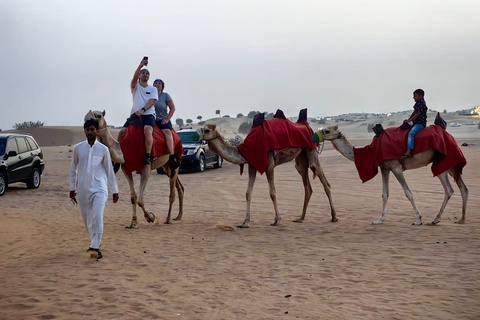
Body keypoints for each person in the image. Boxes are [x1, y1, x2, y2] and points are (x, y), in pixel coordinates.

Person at [69, 119, 119, 260]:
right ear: (84, 130)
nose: (90, 132)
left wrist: (115, 190)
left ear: (96, 131)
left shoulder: (103, 149)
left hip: (100, 189)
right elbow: (73, 169)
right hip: (83, 190)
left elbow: (109, 171)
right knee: (88, 221)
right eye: (87, 129)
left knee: (97, 216)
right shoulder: (78, 148)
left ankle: (95, 247)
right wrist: (72, 188)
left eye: (92, 129)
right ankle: (93, 243)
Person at [119, 57, 159, 164]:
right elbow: (134, 77)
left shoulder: (153, 89)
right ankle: (117, 153)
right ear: (139, 76)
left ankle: (147, 155)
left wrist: (142, 110)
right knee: (122, 132)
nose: (145, 74)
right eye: (143, 73)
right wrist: (140, 65)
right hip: (135, 114)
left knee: (147, 130)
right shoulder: (135, 87)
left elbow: (152, 101)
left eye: (147, 73)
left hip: (148, 114)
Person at [153, 78, 179, 170]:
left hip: (162, 120)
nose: (157, 85)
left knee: (167, 132)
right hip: (151, 120)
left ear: (162, 86)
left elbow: (172, 108)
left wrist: (167, 118)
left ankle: (172, 156)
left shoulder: (165, 96)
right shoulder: (150, 95)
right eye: (155, 83)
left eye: (159, 83)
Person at [402, 89, 428, 158]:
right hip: (415, 123)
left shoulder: (422, 104)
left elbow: (417, 114)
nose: (413, 97)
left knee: (411, 133)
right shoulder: (417, 104)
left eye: (415, 96)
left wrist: (410, 120)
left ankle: (409, 152)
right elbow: (414, 113)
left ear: (420, 96)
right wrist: (408, 120)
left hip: (420, 124)